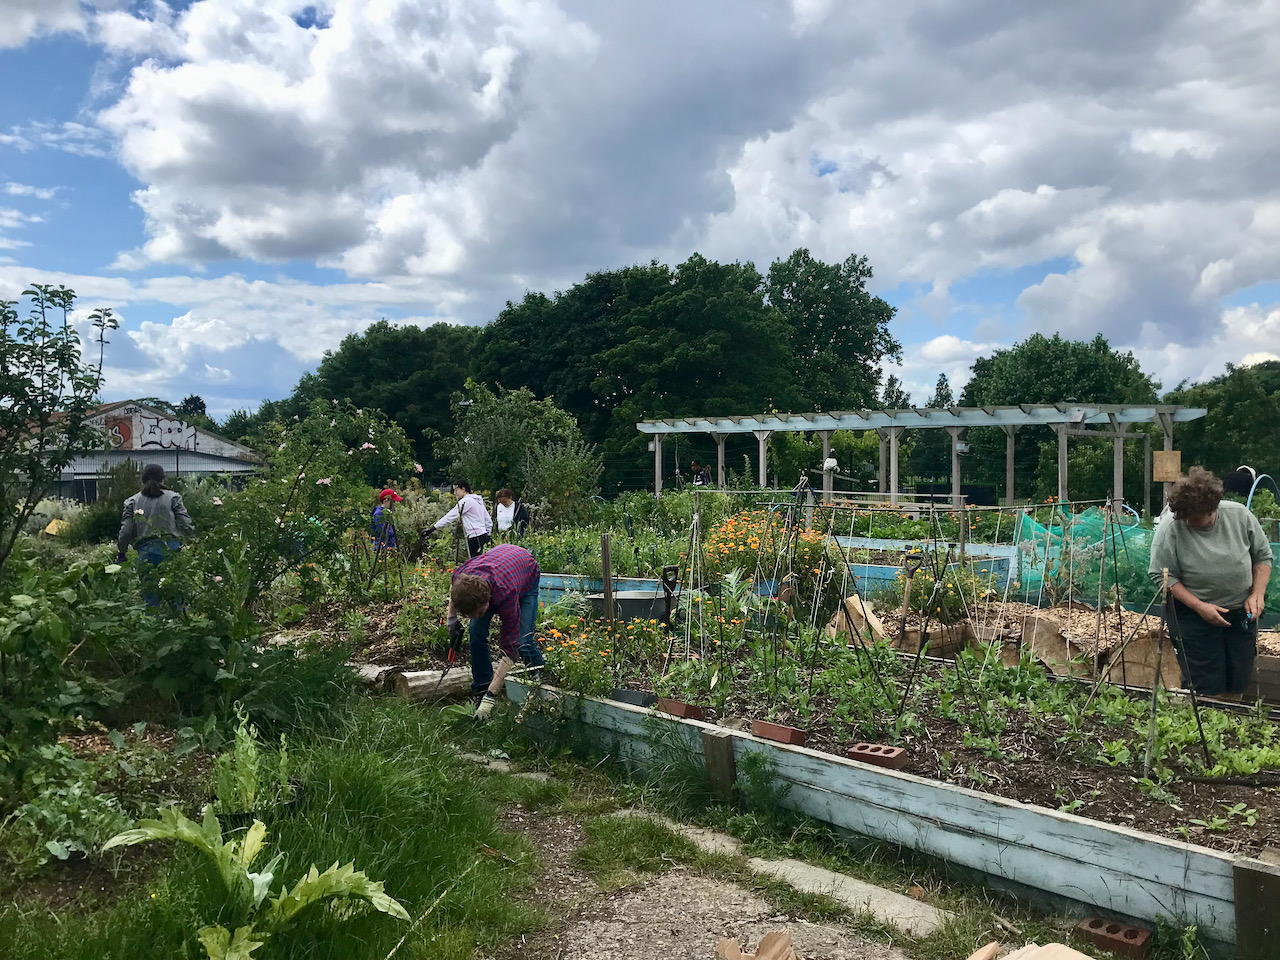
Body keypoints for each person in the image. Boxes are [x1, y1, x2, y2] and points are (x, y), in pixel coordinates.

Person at [1148, 467, 1272, 699]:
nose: (1189, 523)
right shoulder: (1171, 528)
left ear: (1213, 508)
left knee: (1237, 679)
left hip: (1240, 612)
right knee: (1205, 684)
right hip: (1193, 616)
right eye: (1185, 518)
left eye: (1195, 519)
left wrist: (1258, 594)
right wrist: (1200, 606)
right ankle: (1206, 724)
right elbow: (1162, 575)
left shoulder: (1240, 517)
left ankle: (1228, 728)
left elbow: (1263, 557)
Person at [447, 543, 545, 719]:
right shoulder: (461, 578)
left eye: (478, 613)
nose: (476, 617)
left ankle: (539, 671)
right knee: (475, 631)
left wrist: (490, 699)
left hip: (526, 571)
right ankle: (482, 686)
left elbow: (510, 649)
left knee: (523, 641)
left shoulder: (506, 595)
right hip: (500, 563)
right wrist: (451, 621)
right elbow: (454, 593)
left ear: (488, 601)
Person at [116, 463, 195, 607]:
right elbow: (186, 523)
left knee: (150, 599)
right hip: (171, 549)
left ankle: (151, 625)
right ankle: (179, 625)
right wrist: (193, 539)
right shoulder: (173, 497)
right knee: (177, 596)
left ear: (143, 479)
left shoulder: (132, 501)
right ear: (163, 478)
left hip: (145, 553)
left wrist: (122, 552)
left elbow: (126, 531)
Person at [433, 480, 493, 557]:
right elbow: (488, 520)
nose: (455, 493)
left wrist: (434, 527)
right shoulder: (477, 501)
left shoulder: (466, 501)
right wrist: (488, 534)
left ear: (463, 489)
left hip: (474, 535)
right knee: (480, 559)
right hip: (482, 534)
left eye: (456, 490)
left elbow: (450, 516)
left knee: (473, 561)